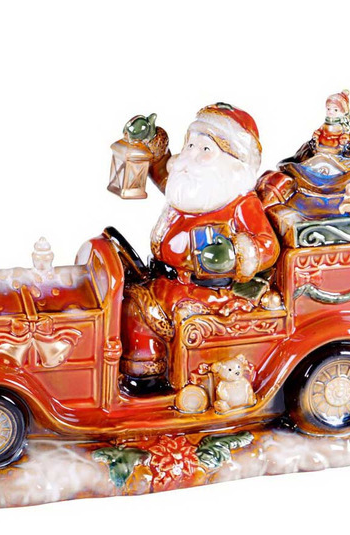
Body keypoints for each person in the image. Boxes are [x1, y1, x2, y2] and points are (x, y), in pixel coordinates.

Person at [119, 103, 280, 396]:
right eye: (190, 145)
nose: (190, 156)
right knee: (127, 301)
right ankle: (141, 371)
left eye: (205, 149)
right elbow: (163, 173)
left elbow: (267, 244)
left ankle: (161, 383)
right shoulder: (189, 187)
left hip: (205, 293)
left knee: (144, 311)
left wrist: (234, 254)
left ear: (234, 163)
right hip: (163, 282)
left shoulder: (239, 202)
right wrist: (148, 141)